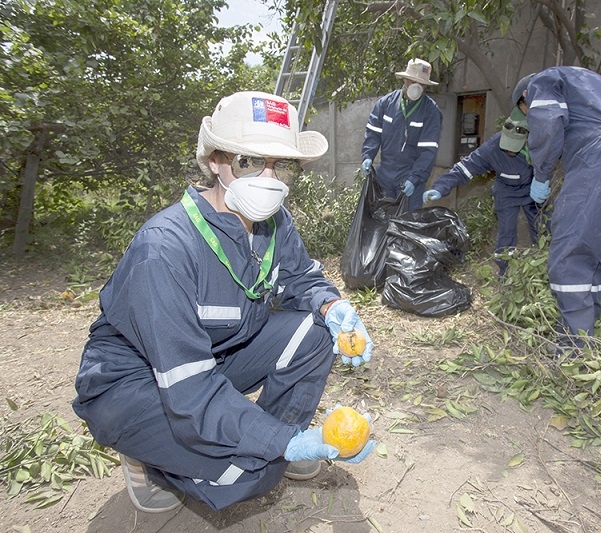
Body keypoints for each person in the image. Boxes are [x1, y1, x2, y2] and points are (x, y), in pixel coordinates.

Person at [72, 91, 376, 513]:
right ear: (216, 160)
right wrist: (280, 443)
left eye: (281, 165)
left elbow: (301, 277)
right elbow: (189, 386)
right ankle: (150, 455)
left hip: (211, 359)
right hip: (137, 384)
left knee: (315, 333)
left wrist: (332, 309)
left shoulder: (275, 223)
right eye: (249, 162)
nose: (268, 179)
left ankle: (276, 444)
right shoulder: (163, 250)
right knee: (253, 473)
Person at [512, 67, 601, 347]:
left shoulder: (542, 82)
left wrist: (541, 175)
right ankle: (587, 336)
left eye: (525, 110)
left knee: (569, 253)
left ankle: (573, 353)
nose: (528, 116)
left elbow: (548, 122)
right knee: (595, 252)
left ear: (525, 97)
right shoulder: (589, 82)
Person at [422, 107, 542, 276]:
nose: (510, 149)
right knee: (506, 236)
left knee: (543, 229)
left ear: (527, 138)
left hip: (534, 190)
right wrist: (441, 187)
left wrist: (544, 181)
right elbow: (466, 167)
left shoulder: (540, 144)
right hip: (506, 192)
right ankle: (505, 276)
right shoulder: (493, 147)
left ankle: (545, 268)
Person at [361, 58, 443, 211]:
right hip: (384, 174)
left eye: (422, 84)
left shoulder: (431, 111)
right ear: (405, 79)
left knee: (406, 227)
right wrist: (367, 156)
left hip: (410, 178)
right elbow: (373, 133)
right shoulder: (386, 104)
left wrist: (414, 178)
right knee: (380, 223)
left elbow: (428, 151)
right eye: (413, 81)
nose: (417, 87)